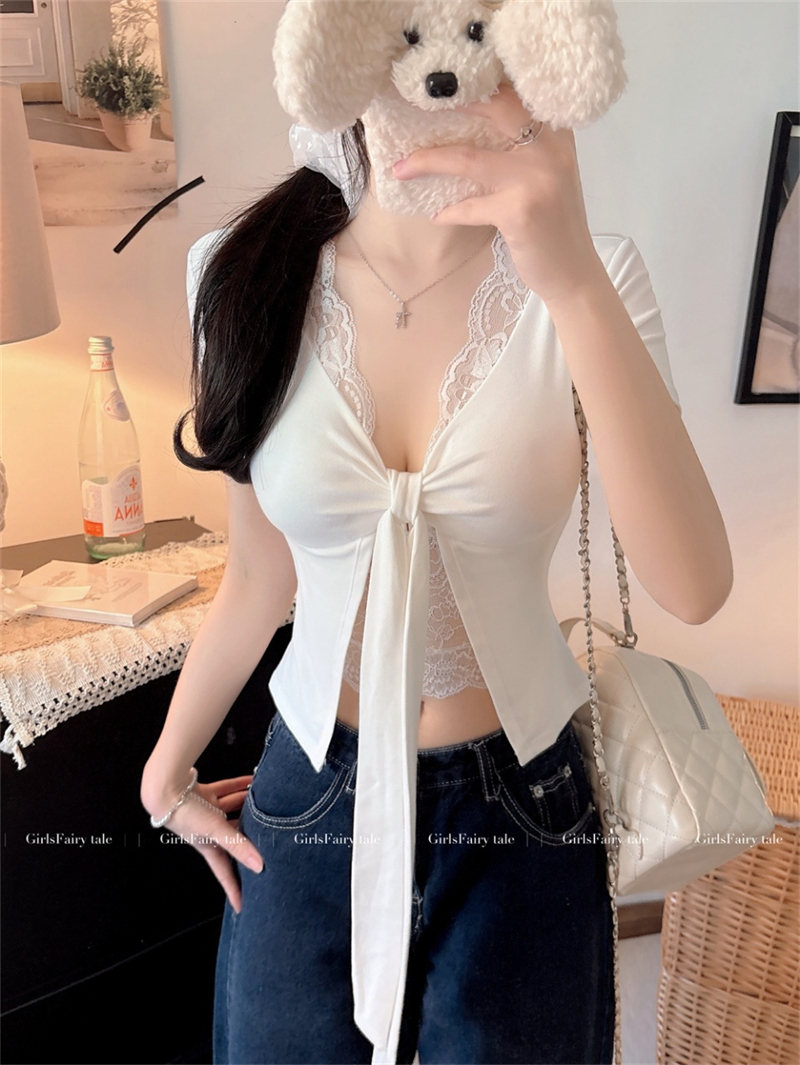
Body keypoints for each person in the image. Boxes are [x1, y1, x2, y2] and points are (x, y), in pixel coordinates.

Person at [140, 81, 733, 1065]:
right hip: (308, 794)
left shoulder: (591, 277)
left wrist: (572, 280)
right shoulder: (238, 272)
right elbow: (256, 578)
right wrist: (166, 769)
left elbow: (694, 585)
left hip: (521, 801)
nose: (439, 74)